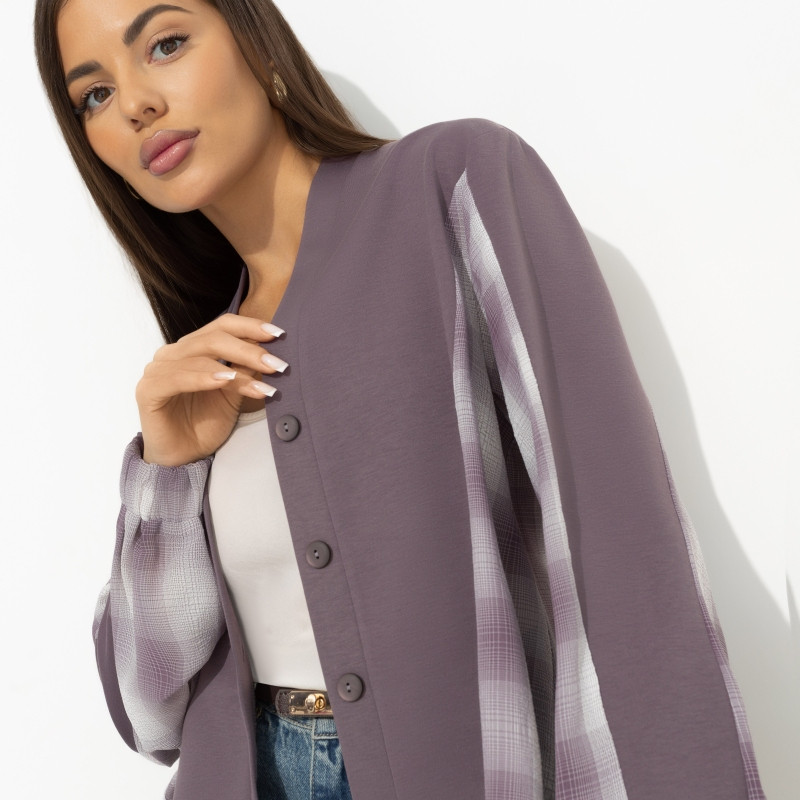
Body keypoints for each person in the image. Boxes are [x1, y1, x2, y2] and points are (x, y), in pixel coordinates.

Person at [35, 1, 766, 799]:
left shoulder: (453, 185)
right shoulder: (203, 362)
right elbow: (149, 714)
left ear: (259, 46)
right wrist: (166, 475)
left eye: (166, 43)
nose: (135, 103)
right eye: (94, 95)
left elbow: (617, 547)